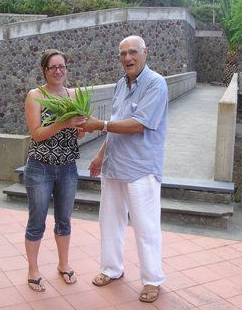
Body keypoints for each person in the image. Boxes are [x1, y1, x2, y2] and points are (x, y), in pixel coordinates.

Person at [81, 35, 168, 303]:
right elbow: (117, 124)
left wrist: (100, 124)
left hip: (141, 169)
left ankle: (152, 279)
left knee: (146, 227)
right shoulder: (121, 84)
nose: (127, 58)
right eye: (122, 54)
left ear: (145, 53)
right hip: (114, 166)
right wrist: (99, 155)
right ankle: (111, 268)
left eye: (132, 52)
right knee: (109, 222)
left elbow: (137, 124)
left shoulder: (156, 84)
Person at [24, 49, 86, 292]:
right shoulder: (35, 96)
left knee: (64, 220)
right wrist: (64, 123)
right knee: (36, 221)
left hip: (68, 167)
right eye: (53, 67)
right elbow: (37, 135)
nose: (59, 71)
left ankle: (63, 264)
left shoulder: (73, 95)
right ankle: (33, 269)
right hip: (40, 168)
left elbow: (77, 133)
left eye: (62, 66)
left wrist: (82, 128)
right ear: (44, 71)